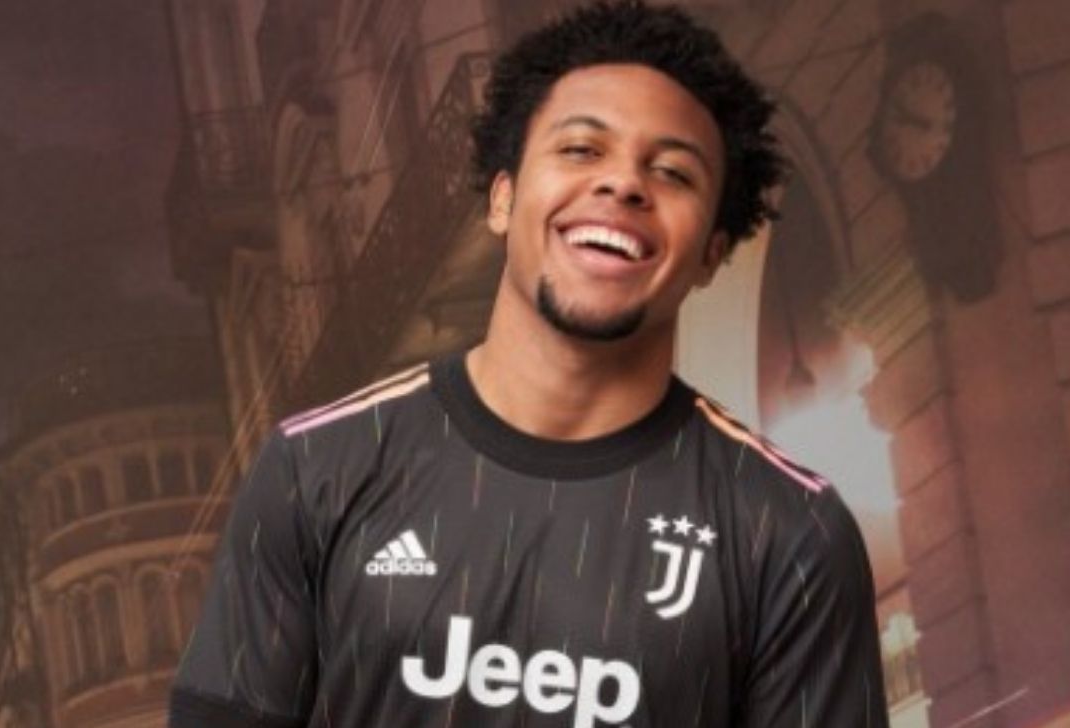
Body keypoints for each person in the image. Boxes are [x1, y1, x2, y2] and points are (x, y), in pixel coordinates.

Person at [169, 1, 890, 726]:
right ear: (502, 198)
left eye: (673, 171)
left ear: (712, 252)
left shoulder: (791, 531)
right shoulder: (315, 470)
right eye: (580, 149)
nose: (623, 184)